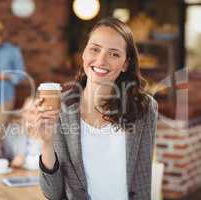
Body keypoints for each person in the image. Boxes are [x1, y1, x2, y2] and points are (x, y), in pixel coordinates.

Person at [27, 18, 158, 200]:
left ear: (125, 64)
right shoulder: (62, 108)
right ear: (84, 54)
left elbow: (143, 180)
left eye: (114, 54)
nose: (101, 60)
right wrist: (47, 142)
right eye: (95, 49)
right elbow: (52, 193)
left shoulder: (144, 108)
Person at [2, 97, 42, 168]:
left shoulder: (50, 136)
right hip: (21, 176)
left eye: (31, 112)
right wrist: (12, 163)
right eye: (24, 111)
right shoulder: (13, 132)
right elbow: (4, 159)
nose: (26, 115)